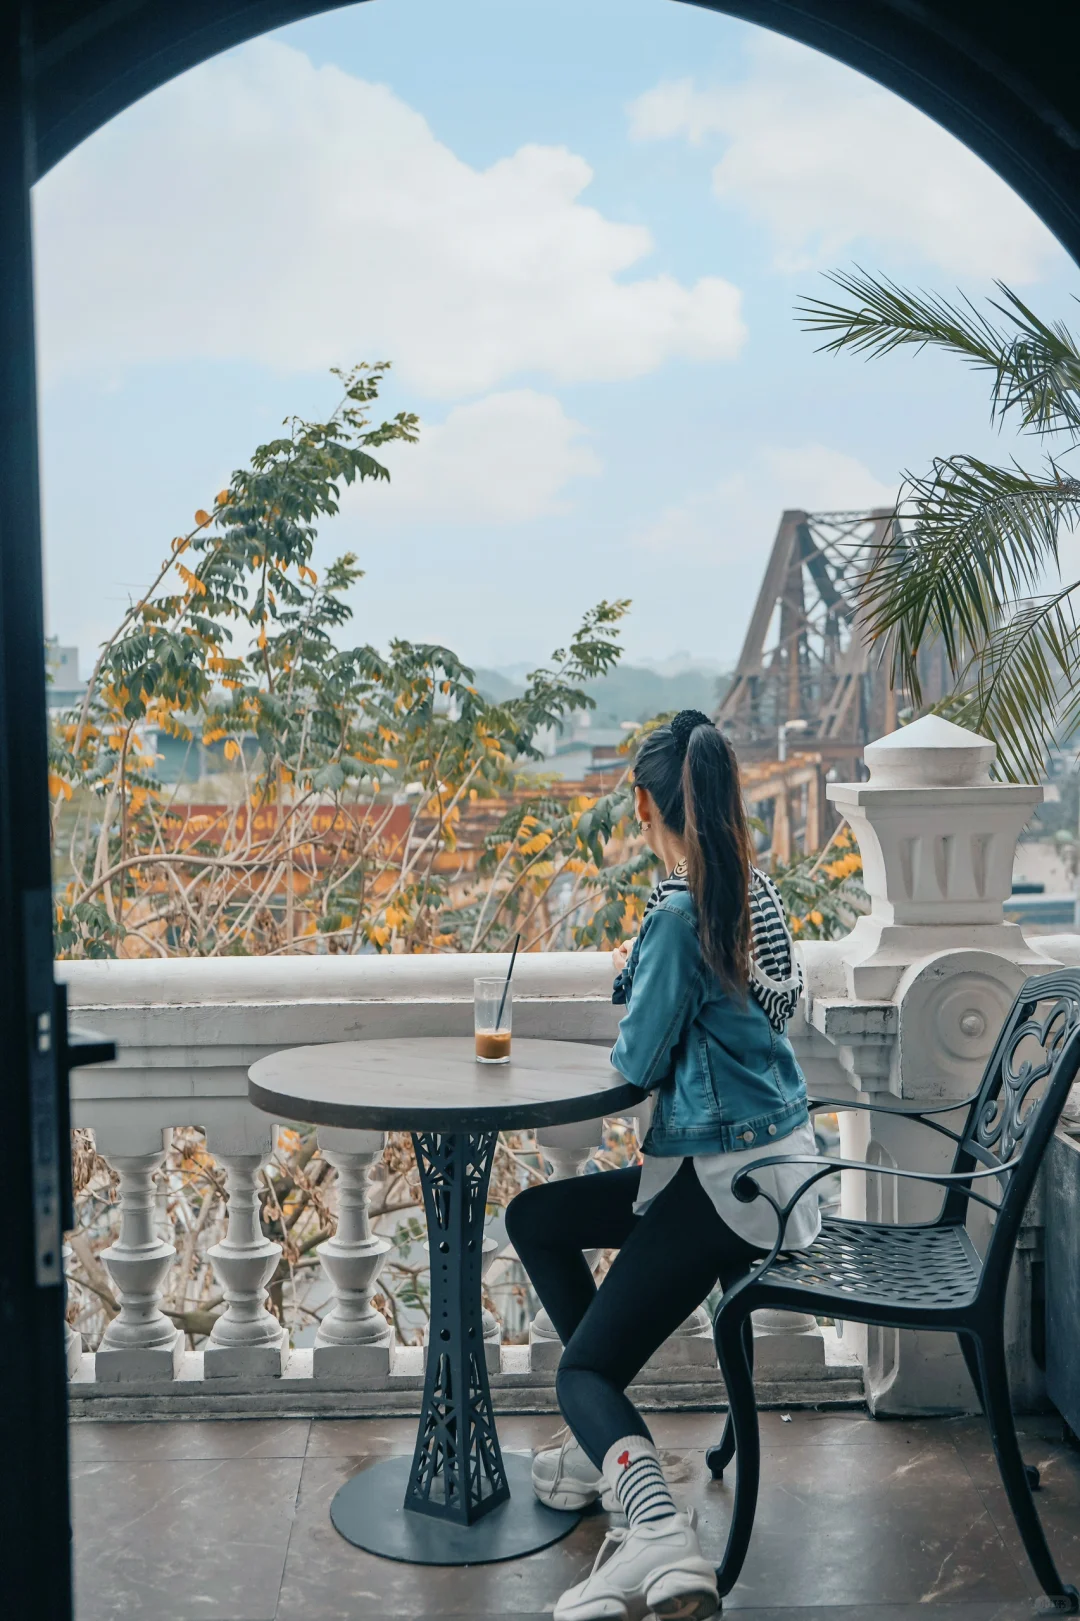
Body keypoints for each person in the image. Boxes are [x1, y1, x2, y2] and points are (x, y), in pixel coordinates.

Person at [505, 709, 821, 1621]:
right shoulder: (746, 891)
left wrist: (643, 973)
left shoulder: (682, 913)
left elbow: (636, 1063)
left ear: (644, 800)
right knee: (540, 1220)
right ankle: (607, 1447)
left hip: (727, 1185)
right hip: (772, 1171)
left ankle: (654, 1530)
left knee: (582, 1372)